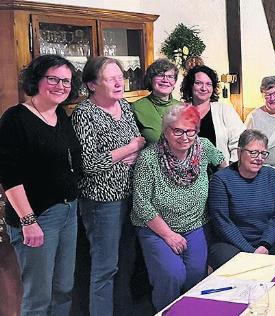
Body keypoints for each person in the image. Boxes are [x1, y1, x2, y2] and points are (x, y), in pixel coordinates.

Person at [0, 54, 83, 315]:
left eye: (66, 81)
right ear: (37, 80)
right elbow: (9, 175)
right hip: (38, 217)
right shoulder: (15, 119)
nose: (61, 86)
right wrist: (27, 220)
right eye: (53, 79)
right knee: (38, 296)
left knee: (64, 288)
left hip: (68, 211)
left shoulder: (60, 114)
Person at [131, 105, 224, 310]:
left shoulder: (204, 147)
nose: (185, 136)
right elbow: (141, 203)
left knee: (195, 276)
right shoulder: (149, 158)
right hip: (155, 228)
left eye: (190, 130)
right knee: (172, 275)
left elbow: (224, 167)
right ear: (166, 131)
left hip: (195, 224)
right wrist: (169, 235)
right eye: (178, 130)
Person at [71, 56, 145, 316]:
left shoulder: (124, 106)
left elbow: (139, 139)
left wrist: (128, 151)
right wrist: (129, 149)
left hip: (130, 195)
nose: (118, 82)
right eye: (110, 78)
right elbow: (89, 164)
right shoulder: (84, 114)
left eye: (119, 77)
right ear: (92, 85)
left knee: (126, 263)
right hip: (102, 201)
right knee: (105, 268)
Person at [207, 129, 275, 269]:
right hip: (230, 242)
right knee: (240, 267)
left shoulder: (271, 175)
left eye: (263, 153)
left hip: (266, 238)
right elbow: (222, 223)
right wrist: (251, 252)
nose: (259, 158)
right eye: (253, 152)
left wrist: (265, 244)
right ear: (239, 152)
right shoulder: (221, 179)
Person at [180, 65, 245, 163]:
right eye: (198, 83)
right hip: (188, 173)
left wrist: (232, 168)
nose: (204, 88)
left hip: (220, 173)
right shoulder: (180, 111)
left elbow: (240, 139)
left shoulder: (224, 110)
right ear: (190, 86)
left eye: (208, 84)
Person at [132, 58, 182, 143]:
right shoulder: (136, 107)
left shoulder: (183, 108)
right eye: (160, 75)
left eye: (170, 76)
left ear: (174, 83)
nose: (165, 80)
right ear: (151, 79)